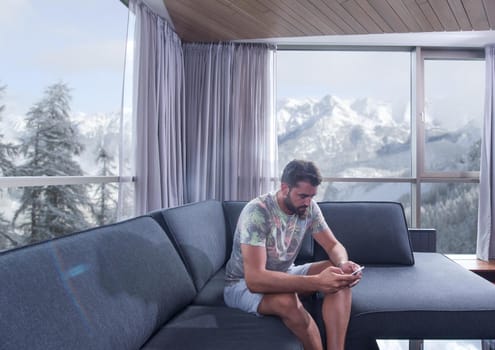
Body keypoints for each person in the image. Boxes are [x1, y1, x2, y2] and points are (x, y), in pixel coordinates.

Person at [224, 159, 362, 350]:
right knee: (288, 300)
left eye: (312, 196)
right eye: (303, 195)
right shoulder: (258, 212)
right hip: (242, 285)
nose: (308, 202)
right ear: (284, 188)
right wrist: (318, 282)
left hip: (285, 273)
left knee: (338, 274)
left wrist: (343, 264)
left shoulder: (309, 207)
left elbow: (333, 245)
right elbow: (255, 280)